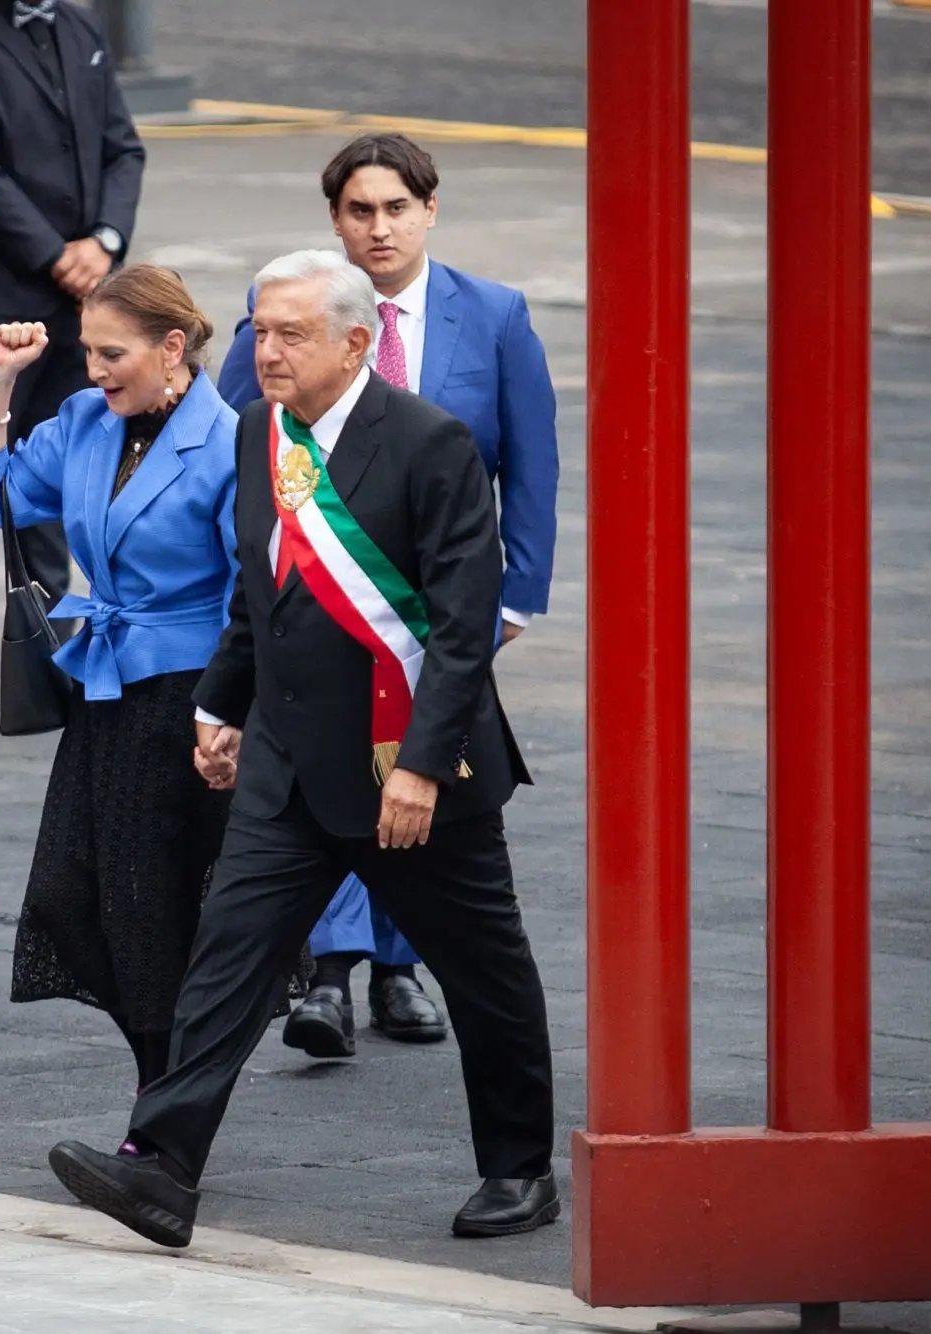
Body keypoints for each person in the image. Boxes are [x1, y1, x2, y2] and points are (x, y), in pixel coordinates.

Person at [46, 250, 558, 1245]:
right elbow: (261, 595)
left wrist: (417, 760)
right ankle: (162, 1166)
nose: (265, 350)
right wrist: (218, 705)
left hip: (404, 764)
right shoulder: (257, 434)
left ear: (357, 342)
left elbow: (460, 624)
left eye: (289, 333)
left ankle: (519, 1165)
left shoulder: (429, 443)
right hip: (286, 759)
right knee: (226, 960)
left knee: (486, 973)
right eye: (257, 329)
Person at [219, 133, 560, 1056]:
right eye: (359, 211)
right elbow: (242, 467)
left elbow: (531, 464)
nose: (379, 228)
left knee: (418, 775)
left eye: (396, 208)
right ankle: (328, 973)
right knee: (328, 769)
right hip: (315, 604)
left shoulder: (491, 316)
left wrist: (517, 598)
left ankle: (400, 969)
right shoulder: (289, 316)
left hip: (434, 604)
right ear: (334, 220)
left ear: (430, 211)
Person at [0, 267, 239, 1091]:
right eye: (86, 352)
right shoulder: (84, 420)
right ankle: (169, 1076)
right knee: (69, 900)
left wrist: (228, 711)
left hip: (189, 702)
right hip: (105, 694)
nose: (93, 370)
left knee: (158, 914)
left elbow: (249, 592)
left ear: (172, 348)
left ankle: (165, 1102)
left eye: (113, 354)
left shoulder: (229, 441)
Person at [0, 0, 147, 720]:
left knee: (64, 462)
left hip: (78, 291)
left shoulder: (77, 25)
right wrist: (56, 257)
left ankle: (53, 647)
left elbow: (123, 147)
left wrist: (103, 240)